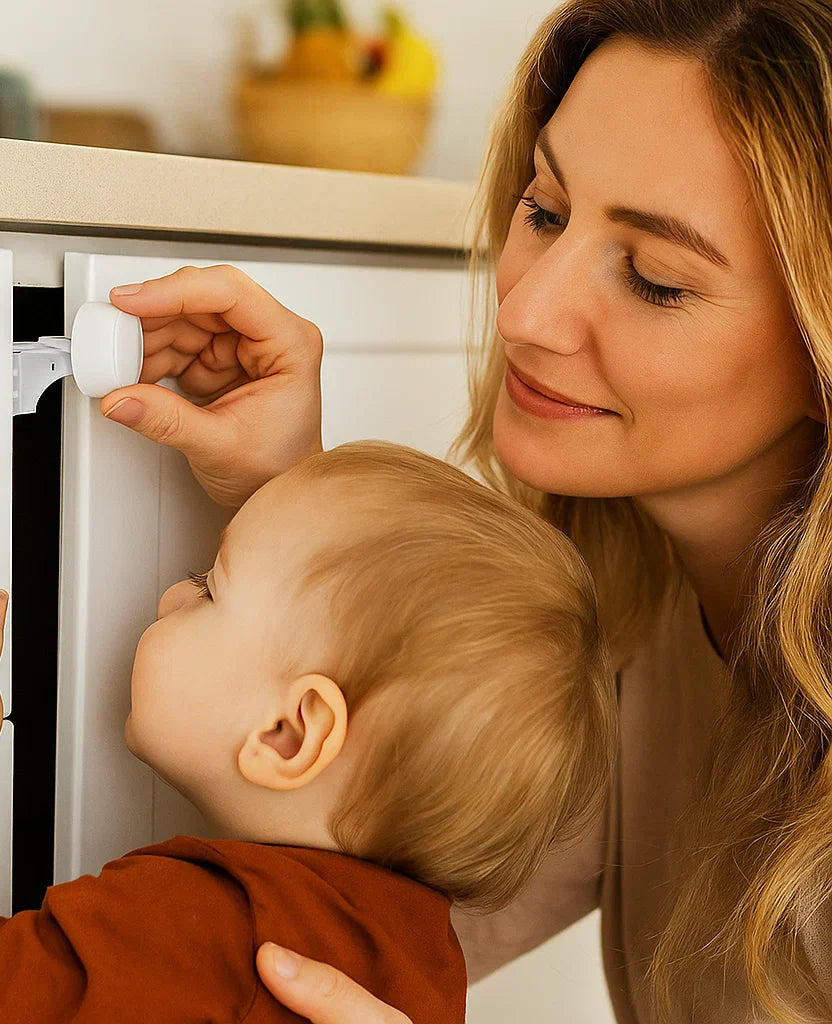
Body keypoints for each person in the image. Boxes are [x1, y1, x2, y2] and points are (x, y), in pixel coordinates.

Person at [91, 2, 832, 1021]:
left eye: (656, 282)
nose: (523, 312)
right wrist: (301, 526)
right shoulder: (632, 627)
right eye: (543, 210)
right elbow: (368, 917)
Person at [0, 441, 616, 1023]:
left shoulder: (202, 928)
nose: (173, 593)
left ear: (287, 734)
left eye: (211, 587)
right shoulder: (420, 962)